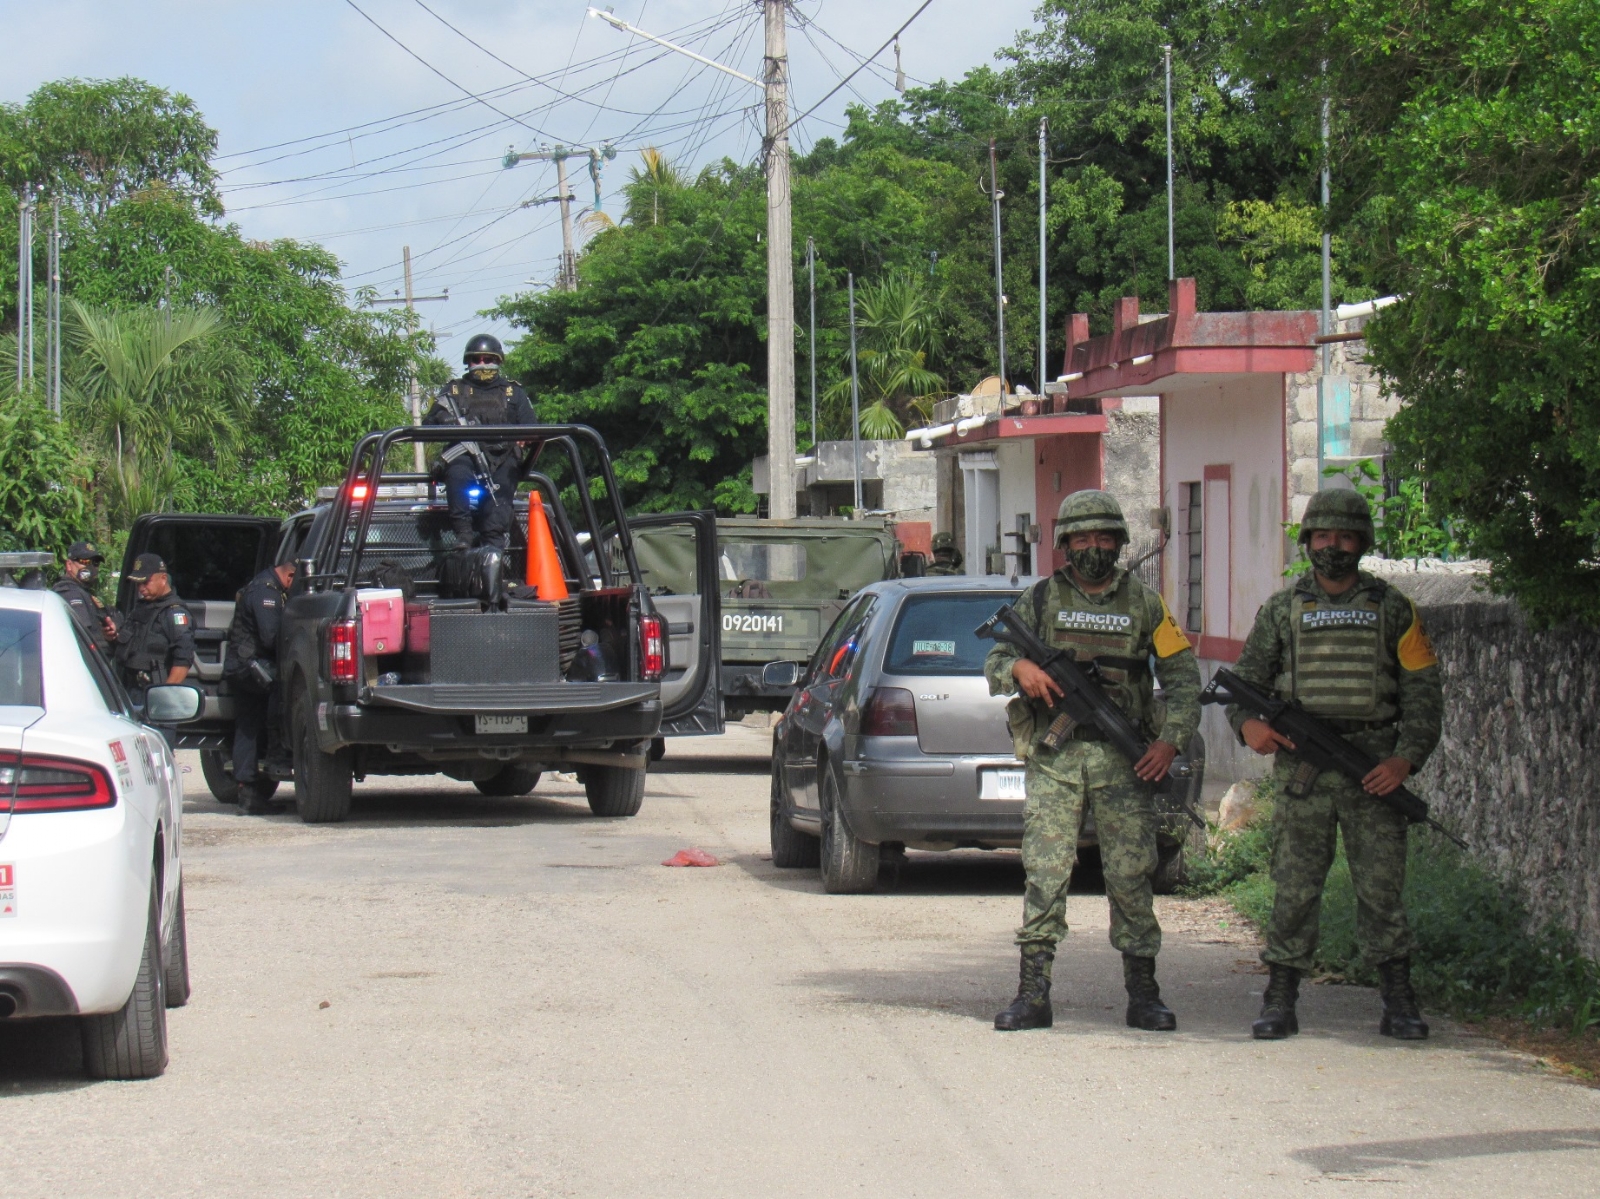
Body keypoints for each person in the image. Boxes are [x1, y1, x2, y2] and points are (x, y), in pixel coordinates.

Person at [1227, 487, 1442, 1041]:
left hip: (1372, 767)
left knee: (1380, 890)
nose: (1334, 546)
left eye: (1346, 536)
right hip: (1305, 770)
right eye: (1323, 535)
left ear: (1362, 542)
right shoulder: (1282, 609)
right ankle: (1279, 998)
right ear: (1308, 541)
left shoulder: (1394, 608)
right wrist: (1248, 726)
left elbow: (1423, 695)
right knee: (1295, 886)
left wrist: (1404, 760)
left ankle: (1398, 1001)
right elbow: (1245, 687)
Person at [984, 490, 1201, 1032]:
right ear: (1065, 544)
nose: (1094, 547)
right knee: (1046, 871)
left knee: (1131, 874)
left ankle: (1144, 993)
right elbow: (995, 655)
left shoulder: (1146, 604)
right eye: (1083, 538)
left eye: (1104, 537)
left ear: (1121, 542)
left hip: (1123, 763)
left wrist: (1169, 741)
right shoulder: (1040, 599)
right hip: (1057, 758)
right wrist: (1020, 672)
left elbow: (1182, 680)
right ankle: (1033, 993)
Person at [424, 333, 537, 550]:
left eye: (488, 359)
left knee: (498, 506)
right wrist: (445, 421)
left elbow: (531, 428)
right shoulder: (454, 390)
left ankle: (493, 556)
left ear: (498, 361)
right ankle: (463, 536)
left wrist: (524, 438)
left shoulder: (514, 392)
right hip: (463, 454)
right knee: (457, 474)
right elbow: (429, 425)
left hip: (503, 458)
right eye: (477, 359)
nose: (482, 364)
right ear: (468, 362)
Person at [224, 560, 297, 816]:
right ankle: (278, 757)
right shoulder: (266, 592)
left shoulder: (264, 586)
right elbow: (270, 637)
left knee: (247, 728)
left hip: (244, 665)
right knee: (285, 693)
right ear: (290, 575)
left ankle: (248, 792)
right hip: (250, 668)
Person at [115, 553, 195, 707]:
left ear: (163, 579)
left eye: (146, 582)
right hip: (132, 689)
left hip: (158, 692)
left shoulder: (174, 612)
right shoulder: (141, 608)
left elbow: (183, 659)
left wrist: (164, 695)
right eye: (138, 584)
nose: (141, 588)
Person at [52, 540, 120, 655]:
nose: (91, 567)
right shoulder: (69, 593)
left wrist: (111, 630)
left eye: (95, 563)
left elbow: (113, 615)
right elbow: (82, 638)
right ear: (69, 565)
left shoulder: (86, 594)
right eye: (84, 561)